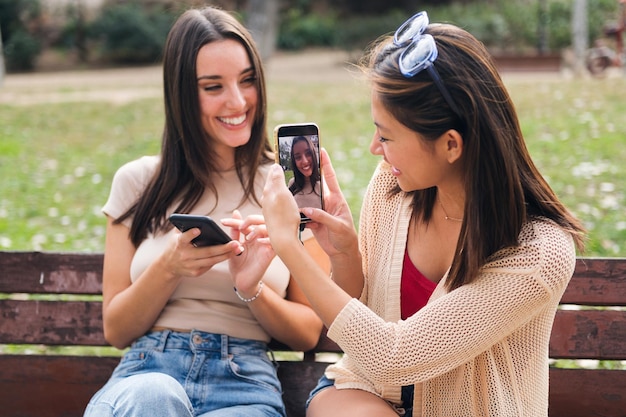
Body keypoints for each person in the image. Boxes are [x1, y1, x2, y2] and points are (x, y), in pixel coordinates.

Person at [260, 10, 586, 417]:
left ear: (451, 145)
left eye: (388, 135)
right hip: (368, 393)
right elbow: (362, 323)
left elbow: (395, 354)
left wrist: (289, 247)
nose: (374, 148)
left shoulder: (539, 253)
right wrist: (345, 255)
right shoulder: (394, 187)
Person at [83, 6, 327, 417]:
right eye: (213, 86)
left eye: (247, 80)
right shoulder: (137, 182)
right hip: (145, 375)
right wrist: (171, 266)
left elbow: (307, 331)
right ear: (181, 94)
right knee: (156, 398)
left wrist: (251, 288)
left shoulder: (286, 187)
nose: (238, 101)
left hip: (244, 385)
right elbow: (117, 329)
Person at [288, 135, 322, 209]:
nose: (305, 161)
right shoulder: (292, 183)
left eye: (308, 153)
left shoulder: (323, 185)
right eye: (298, 157)